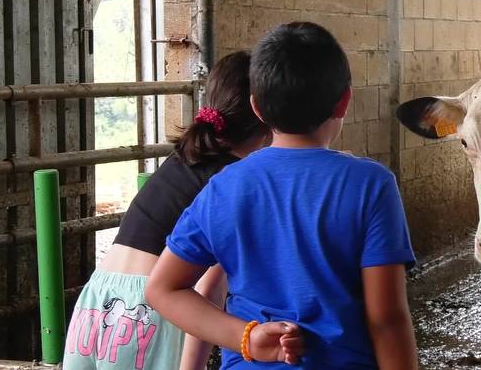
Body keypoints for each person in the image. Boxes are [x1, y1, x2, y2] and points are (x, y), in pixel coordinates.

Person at [145, 22, 419, 369]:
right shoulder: (371, 185)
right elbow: (387, 319)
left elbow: (162, 289)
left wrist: (246, 337)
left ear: (256, 107)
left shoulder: (225, 187)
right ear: (345, 101)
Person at [63, 51, 303, 370]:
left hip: (94, 303)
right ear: (266, 113)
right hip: (145, 315)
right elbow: (207, 290)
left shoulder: (185, 157)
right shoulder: (232, 183)